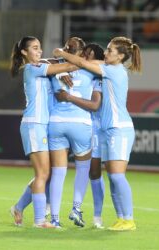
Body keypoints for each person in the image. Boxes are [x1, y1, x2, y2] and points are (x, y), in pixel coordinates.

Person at [53, 36, 142, 231]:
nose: (106, 53)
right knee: (111, 176)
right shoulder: (111, 67)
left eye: (110, 50)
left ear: (120, 56)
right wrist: (62, 71)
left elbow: (83, 62)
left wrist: (61, 53)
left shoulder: (114, 71)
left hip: (119, 128)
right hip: (107, 129)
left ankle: (129, 219)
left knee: (118, 176)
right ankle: (120, 218)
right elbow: (85, 63)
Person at [9, 36, 77, 228]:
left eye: (40, 48)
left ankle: (18, 208)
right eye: (35, 48)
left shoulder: (40, 67)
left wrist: (59, 65)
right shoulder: (31, 68)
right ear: (24, 52)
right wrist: (77, 61)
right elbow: (67, 67)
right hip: (34, 124)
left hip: (42, 125)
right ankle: (40, 221)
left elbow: (54, 64)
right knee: (43, 174)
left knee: (45, 174)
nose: (39, 51)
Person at [55, 43, 106, 229]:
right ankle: (48, 210)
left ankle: (97, 216)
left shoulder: (99, 74)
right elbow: (57, 57)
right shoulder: (75, 71)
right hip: (76, 123)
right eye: (84, 54)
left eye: (90, 55)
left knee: (94, 172)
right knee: (55, 169)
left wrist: (68, 97)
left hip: (96, 126)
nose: (85, 58)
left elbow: (95, 105)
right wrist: (61, 69)